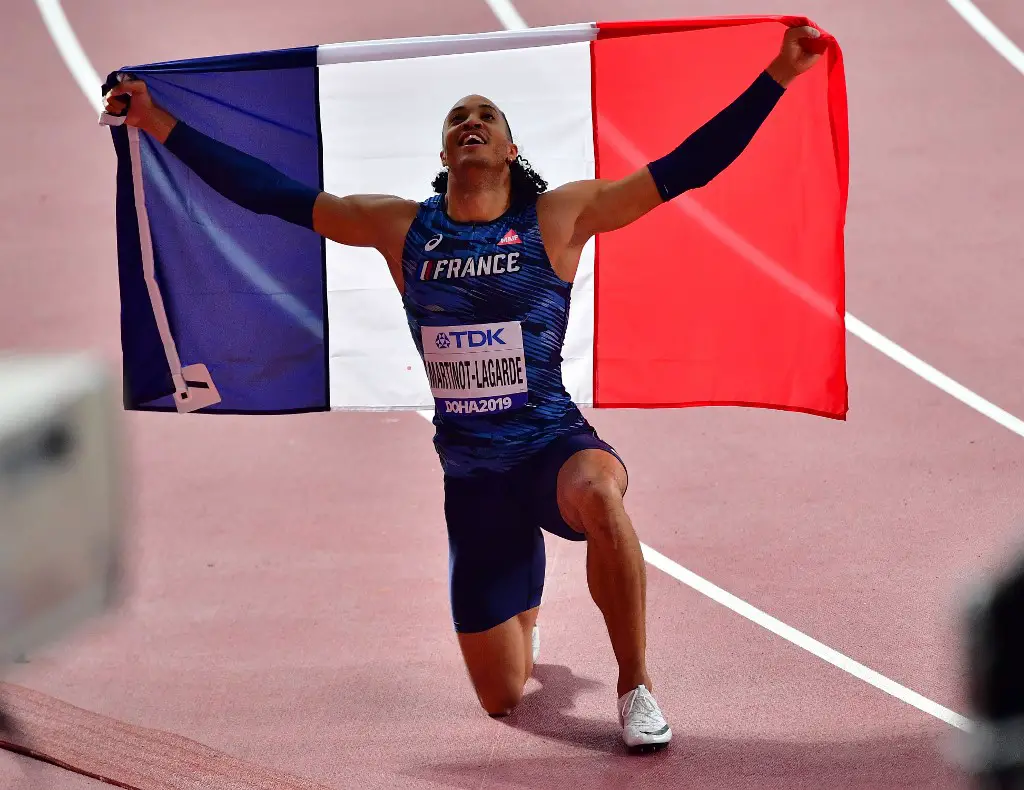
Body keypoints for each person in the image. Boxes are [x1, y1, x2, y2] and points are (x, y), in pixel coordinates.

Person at [103, 24, 823, 752]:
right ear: (445, 154)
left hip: (553, 443)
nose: (471, 121)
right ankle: (525, 587)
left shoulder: (558, 217)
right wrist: (157, 121)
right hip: (473, 475)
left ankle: (635, 685)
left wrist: (779, 74)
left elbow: (683, 168)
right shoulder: (401, 228)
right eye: (458, 119)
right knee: (502, 697)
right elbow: (270, 195)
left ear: (510, 150)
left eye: (487, 117)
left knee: (602, 492)